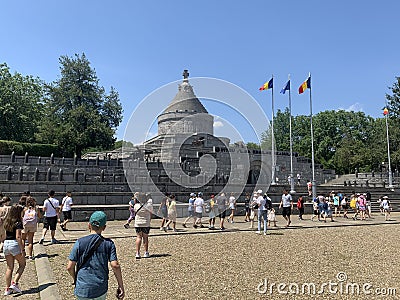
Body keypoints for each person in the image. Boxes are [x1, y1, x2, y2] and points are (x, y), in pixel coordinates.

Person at [67, 211, 125, 299]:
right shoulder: (109, 244)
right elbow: (115, 265)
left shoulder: (79, 242)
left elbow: (70, 267)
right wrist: (120, 285)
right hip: (100, 287)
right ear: (104, 227)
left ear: (89, 225)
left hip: (82, 288)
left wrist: (75, 278)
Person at [3, 204, 25, 295]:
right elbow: (18, 237)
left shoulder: (7, 222)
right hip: (14, 244)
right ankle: (14, 283)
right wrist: (22, 249)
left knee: (9, 267)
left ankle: (7, 289)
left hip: (6, 243)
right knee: (22, 264)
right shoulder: (18, 222)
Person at [134, 193, 153, 258]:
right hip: (146, 223)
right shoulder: (149, 205)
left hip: (138, 223)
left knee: (139, 237)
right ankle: (146, 252)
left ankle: (137, 253)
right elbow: (151, 213)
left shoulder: (136, 205)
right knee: (145, 238)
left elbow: (134, 212)